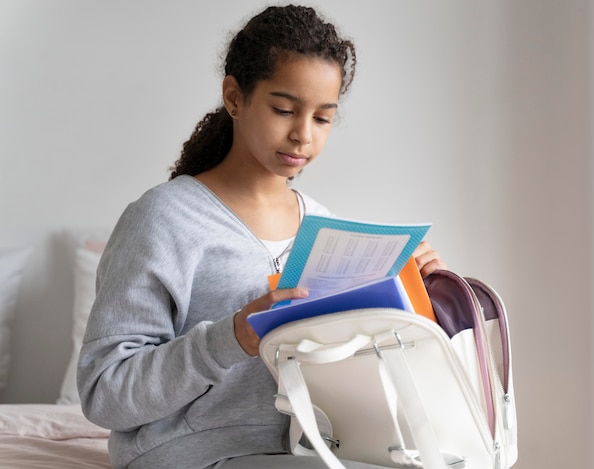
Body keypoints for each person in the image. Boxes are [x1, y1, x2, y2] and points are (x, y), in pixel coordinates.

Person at [77, 4, 446, 469]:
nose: (302, 136)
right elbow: (103, 393)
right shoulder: (161, 219)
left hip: (312, 448)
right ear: (234, 96)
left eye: (322, 118)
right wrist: (232, 337)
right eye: (284, 109)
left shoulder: (325, 229)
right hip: (194, 453)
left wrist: (418, 290)